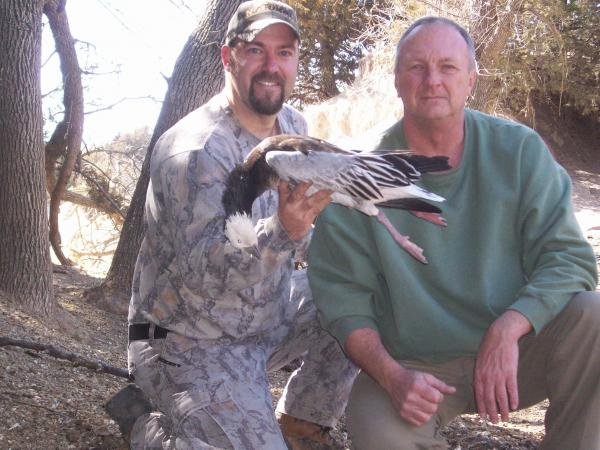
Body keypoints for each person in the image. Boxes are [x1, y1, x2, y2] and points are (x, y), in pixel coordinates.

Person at [307, 16, 600, 450]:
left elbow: (570, 259)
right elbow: (344, 300)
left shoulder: (518, 151)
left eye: (447, 67)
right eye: (416, 67)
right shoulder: (357, 174)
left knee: (593, 317)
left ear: (471, 81)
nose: (432, 81)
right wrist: (393, 376)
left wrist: (509, 327)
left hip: (518, 352)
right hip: (414, 366)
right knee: (377, 435)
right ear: (396, 81)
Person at [113, 1, 358, 448]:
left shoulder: (291, 125)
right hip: (189, 343)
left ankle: (302, 424)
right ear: (228, 57)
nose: (271, 66)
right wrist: (285, 231)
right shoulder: (194, 151)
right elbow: (202, 276)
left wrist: (344, 254)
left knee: (358, 294)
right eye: (255, 51)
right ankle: (145, 428)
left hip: (265, 317)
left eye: (284, 53)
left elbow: (305, 234)